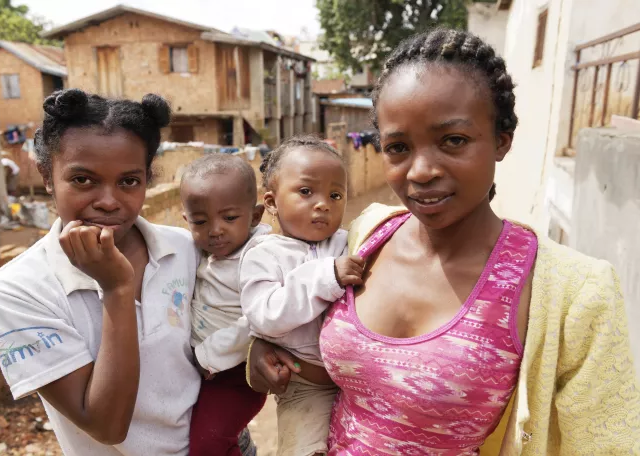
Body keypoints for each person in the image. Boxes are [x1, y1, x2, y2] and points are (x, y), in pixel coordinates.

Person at [247, 29, 640, 455]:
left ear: (501, 140)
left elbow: (608, 444)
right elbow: (290, 301)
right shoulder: (367, 234)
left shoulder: (572, 293)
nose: (420, 171)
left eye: (453, 140)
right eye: (398, 147)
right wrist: (261, 349)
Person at [0, 89, 255, 455]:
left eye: (128, 181)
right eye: (83, 180)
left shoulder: (187, 249)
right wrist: (117, 289)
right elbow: (106, 426)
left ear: (146, 179)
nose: (108, 201)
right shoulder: (18, 290)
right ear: (47, 177)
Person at [239, 136, 365, 456]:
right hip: (305, 387)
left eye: (335, 195)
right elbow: (265, 316)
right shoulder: (263, 255)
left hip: (357, 383)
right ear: (270, 202)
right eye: (306, 192)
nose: (323, 203)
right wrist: (326, 277)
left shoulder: (346, 242)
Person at [181, 154, 269, 456]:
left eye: (229, 218)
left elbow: (260, 319)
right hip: (206, 371)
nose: (215, 230)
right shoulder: (198, 251)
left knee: (208, 444)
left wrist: (208, 355)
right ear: (186, 221)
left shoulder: (260, 257)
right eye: (200, 222)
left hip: (237, 374)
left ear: (256, 216)